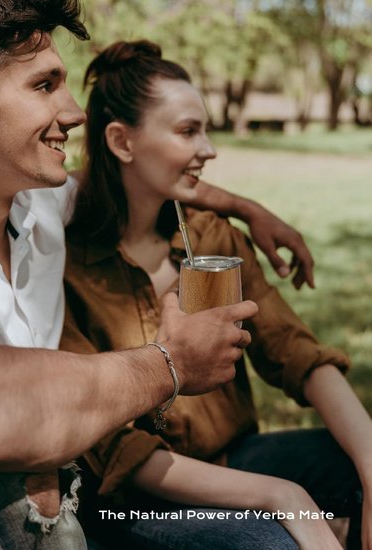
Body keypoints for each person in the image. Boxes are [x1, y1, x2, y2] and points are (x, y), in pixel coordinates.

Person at [0, 2, 317, 548]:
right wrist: (168, 365)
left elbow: (136, 175)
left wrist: (248, 210)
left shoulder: (40, 207)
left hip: (71, 518)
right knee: (3, 455)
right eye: (44, 85)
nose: (76, 111)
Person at [60, 40, 372, 550]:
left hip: (233, 459)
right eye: (188, 131)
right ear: (122, 141)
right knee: (270, 542)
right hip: (129, 502)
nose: (210, 149)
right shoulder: (64, 265)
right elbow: (116, 449)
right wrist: (281, 496)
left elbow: (297, 352)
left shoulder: (209, 237)